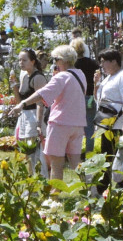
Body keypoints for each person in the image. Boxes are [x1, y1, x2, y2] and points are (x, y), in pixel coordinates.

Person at [9, 44, 86, 182]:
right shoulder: (80, 75)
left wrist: (23, 103)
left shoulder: (61, 77)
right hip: (78, 123)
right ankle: (91, 193)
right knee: (77, 164)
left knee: (56, 165)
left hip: (60, 123)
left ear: (63, 60)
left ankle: (54, 199)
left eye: (55, 59)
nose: (54, 63)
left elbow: (42, 93)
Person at [93, 48, 123, 189]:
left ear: (114, 61)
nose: (102, 65)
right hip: (107, 124)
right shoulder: (108, 77)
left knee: (119, 156)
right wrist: (96, 84)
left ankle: (122, 184)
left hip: (118, 125)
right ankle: (104, 184)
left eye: (104, 62)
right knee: (106, 155)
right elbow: (98, 99)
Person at [9, 48, 48, 176]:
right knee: (27, 151)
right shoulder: (25, 76)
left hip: (34, 116)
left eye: (24, 60)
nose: (21, 63)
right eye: (19, 60)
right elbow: (21, 100)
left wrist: (38, 124)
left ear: (32, 61)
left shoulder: (38, 78)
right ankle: (31, 179)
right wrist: (14, 86)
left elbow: (41, 103)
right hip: (25, 116)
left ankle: (40, 179)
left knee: (35, 152)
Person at [71, 37, 99, 152]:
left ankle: (73, 152)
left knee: (73, 127)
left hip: (76, 99)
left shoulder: (72, 65)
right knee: (90, 128)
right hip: (90, 98)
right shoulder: (93, 63)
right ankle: (89, 152)